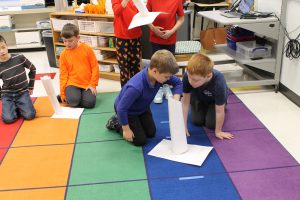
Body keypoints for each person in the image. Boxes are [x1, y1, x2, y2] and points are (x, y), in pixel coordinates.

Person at [107, 50, 182, 146]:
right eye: (167, 77)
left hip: (142, 106)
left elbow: (178, 82)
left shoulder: (160, 74)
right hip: (128, 110)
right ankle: (116, 123)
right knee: (140, 140)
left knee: (151, 133)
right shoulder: (136, 87)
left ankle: (135, 122)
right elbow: (121, 108)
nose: (169, 79)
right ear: (155, 71)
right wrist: (126, 129)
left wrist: (176, 98)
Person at [181, 53, 234, 140]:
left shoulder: (218, 81)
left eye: (195, 80)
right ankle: (203, 109)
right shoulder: (187, 76)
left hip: (214, 102)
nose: (191, 81)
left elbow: (219, 110)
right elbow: (185, 102)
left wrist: (218, 131)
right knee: (196, 121)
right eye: (190, 77)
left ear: (208, 76)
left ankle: (221, 107)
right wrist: (183, 126)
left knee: (211, 124)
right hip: (198, 98)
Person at [146, 0, 185, 103]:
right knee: (157, 65)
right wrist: (153, 29)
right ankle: (157, 88)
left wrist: (172, 31)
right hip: (155, 37)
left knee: (169, 66)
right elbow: (145, 16)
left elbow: (181, 18)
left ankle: (166, 86)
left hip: (170, 37)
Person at [58, 23, 99, 108]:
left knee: (90, 104)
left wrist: (92, 84)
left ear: (78, 38)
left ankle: (74, 96)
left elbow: (95, 67)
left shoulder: (87, 49)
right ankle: (70, 95)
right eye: (65, 41)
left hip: (87, 84)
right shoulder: (63, 54)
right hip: (72, 83)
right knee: (73, 102)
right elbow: (63, 75)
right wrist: (62, 93)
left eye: (70, 41)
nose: (67, 44)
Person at [0, 35, 36, 123]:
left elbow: (33, 68)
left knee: (30, 115)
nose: (2, 51)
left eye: (3, 47)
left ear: (7, 45)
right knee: (8, 119)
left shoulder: (19, 57)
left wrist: (30, 87)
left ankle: (18, 106)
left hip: (22, 92)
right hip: (7, 94)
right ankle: (15, 107)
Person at [112, 0, 142, 87]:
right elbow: (116, 11)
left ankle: (136, 91)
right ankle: (125, 93)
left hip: (136, 35)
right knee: (124, 69)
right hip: (122, 37)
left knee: (136, 67)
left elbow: (141, 11)